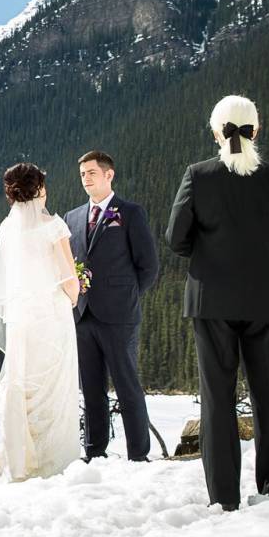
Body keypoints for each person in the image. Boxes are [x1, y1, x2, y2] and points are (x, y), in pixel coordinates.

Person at [165, 94, 269, 511]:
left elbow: (176, 239)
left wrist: (211, 257)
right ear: (255, 130)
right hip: (264, 301)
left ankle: (224, 498)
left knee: (218, 400)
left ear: (215, 133)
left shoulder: (198, 176)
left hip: (211, 303)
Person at [0, 162, 82, 480]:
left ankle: (21, 457)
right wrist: (75, 295)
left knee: (24, 383)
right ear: (39, 190)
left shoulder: (7, 228)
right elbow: (68, 275)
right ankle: (54, 462)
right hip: (51, 316)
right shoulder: (54, 225)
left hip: (21, 319)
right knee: (54, 385)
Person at [67, 151, 160, 461]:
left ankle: (138, 453)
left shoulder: (130, 213)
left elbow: (148, 266)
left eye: (92, 172)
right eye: (82, 174)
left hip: (120, 315)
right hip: (83, 315)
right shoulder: (73, 217)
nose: (86, 178)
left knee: (127, 385)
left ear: (109, 175)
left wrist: (127, 297)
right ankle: (94, 451)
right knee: (91, 389)